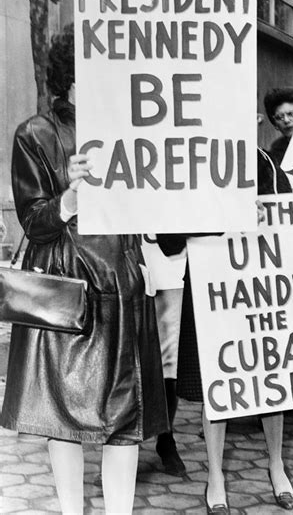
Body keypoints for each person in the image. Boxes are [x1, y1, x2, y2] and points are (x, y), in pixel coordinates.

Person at [0, 25, 168, 514]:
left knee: (125, 414)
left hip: (123, 278)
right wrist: (69, 198)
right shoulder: (36, 133)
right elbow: (33, 220)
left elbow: (153, 206)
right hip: (65, 284)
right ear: (72, 76)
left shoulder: (135, 127)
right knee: (59, 410)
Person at [158, 148, 293, 513]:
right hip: (211, 290)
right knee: (215, 383)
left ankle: (276, 464)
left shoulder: (263, 161)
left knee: (268, 374)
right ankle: (215, 476)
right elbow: (167, 239)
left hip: (260, 290)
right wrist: (227, 219)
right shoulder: (191, 165)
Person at [141, 235, 187, 475]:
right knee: (126, 359)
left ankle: (166, 437)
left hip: (171, 267)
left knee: (171, 360)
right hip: (127, 263)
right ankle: (120, 444)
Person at [264, 87, 293, 165]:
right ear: (275, 125)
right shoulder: (276, 152)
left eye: (292, 114)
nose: (286, 120)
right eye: (279, 117)